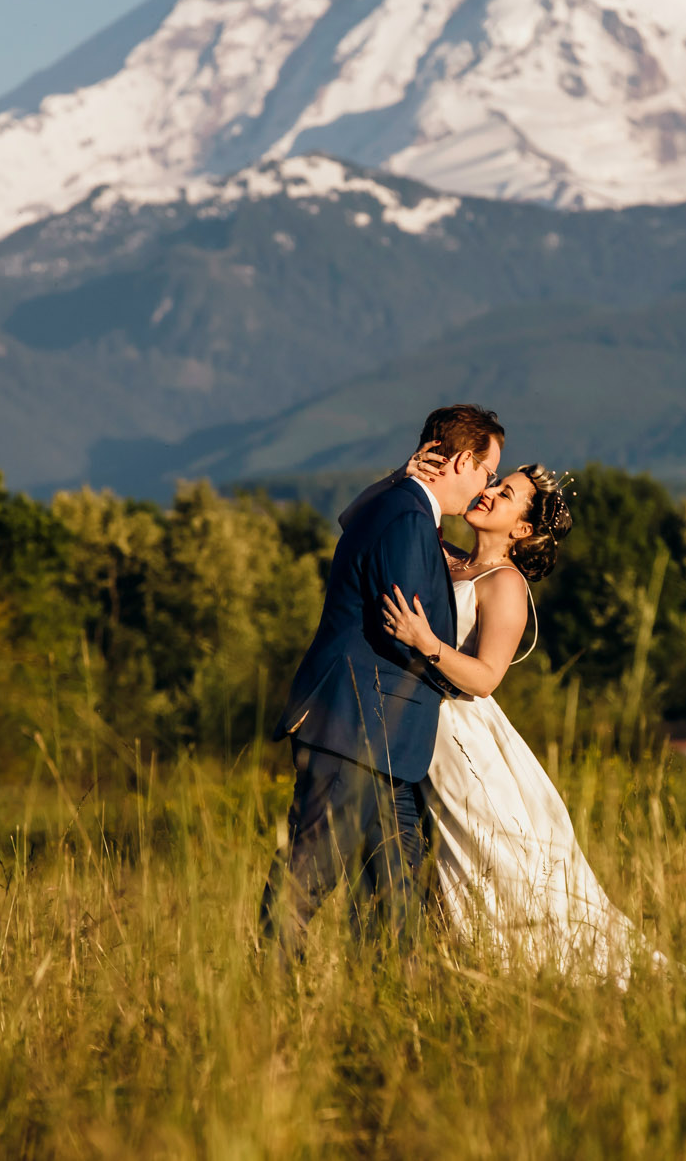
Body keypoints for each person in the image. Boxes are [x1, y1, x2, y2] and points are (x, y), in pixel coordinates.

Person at [379, 461, 650, 983]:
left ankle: (522, 975)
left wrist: (425, 643)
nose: (489, 493)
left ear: (522, 530)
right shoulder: (447, 559)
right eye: (495, 484)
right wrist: (403, 476)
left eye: (505, 495)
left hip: (462, 738)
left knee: (489, 862)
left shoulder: (505, 584)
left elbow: (484, 678)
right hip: (419, 730)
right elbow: (361, 519)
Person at [258, 404, 503, 965]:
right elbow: (405, 626)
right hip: (357, 727)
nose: (486, 486)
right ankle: (268, 997)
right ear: (463, 460)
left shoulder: (401, 505)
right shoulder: (407, 515)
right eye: (488, 472)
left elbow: (352, 520)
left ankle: (395, 1011)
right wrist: (448, 657)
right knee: (308, 875)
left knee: (395, 894)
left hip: (389, 740)